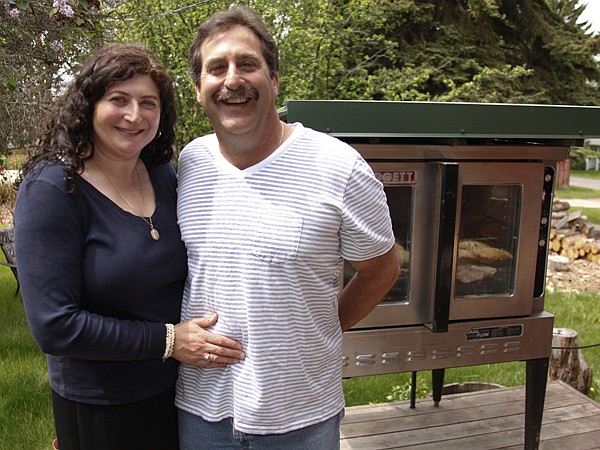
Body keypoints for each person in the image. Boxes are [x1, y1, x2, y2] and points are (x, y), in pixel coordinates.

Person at [176, 6, 400, 449]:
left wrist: (319, 327)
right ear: (199, 89)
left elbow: (382, 270)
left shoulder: (337, 166)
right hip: (200, 412)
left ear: (274, 80)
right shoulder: (190, 164)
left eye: (248, 64)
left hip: (302, 418)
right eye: (216, 68)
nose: (232, 79)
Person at [14, 42, 245, 450]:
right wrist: (170, 340)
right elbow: (55, 325)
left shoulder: (161, 174)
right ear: (88, 105)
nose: (134, 115)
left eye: (148, 103)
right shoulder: (53, 189)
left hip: (178, 391)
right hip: (103, 405)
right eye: (118, 99)